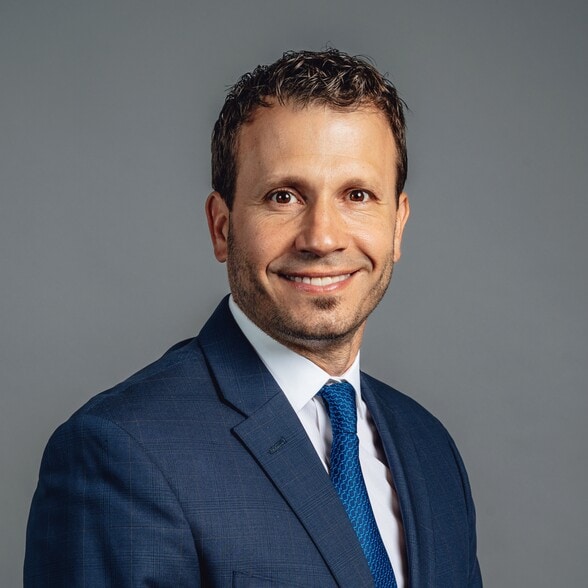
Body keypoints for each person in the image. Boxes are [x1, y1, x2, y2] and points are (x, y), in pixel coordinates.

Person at [25, 49, 482, 587]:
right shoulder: (119, 450)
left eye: (357, 195)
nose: (323, 238)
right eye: (284, 196)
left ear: (398, 224)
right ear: (222, 227)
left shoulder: (431, 450)